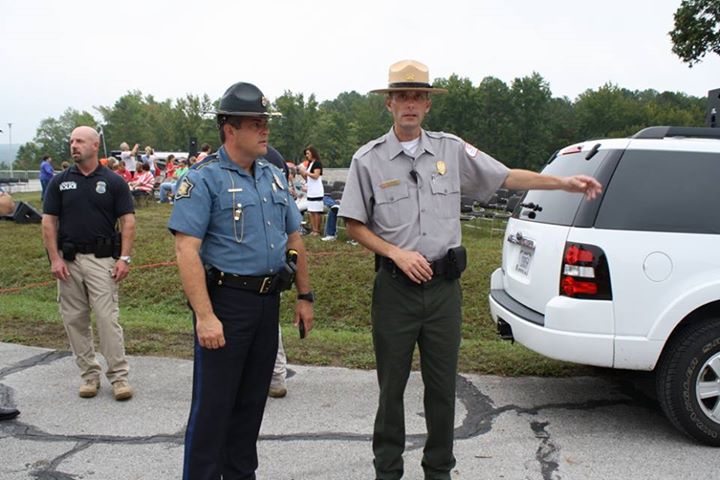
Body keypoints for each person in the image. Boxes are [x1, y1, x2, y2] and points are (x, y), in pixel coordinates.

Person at [338, 60, 603, 480]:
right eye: (402, 96)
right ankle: (387, 471)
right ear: (389, 103)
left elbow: (506, 177)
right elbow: (353, 223)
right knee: (391, 391)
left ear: (427, 104)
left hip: (443, 292)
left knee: (441, 389)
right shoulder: (367, 160)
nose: (410, 103)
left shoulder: (450, 149)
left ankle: (438, 470)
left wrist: (564, 183)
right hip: (395, 291)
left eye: (418, 96)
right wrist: (395, 253)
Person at [168, 81, 314, 479]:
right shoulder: (203, 179)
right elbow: (186, 250)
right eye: (256, 122)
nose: (265, 129)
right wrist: (204, 316)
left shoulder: (272, 176)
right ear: (230, 129)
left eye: (266, 121)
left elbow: (294, 237)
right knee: (213, 410)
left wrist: (305, 295)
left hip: (268, 304)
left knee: (250, 409)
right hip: (226, 305)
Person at [41, 126, 136, 401]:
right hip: (68, 261)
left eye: (80, 141)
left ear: (95, 146)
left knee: (107, 319)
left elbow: (127, 221)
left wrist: (124, 258)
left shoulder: (114, 181)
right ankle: (88, 376)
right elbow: (49, 222)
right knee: (74, 320)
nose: (74, 146)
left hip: (102, 260)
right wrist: (54, 258)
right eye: (72, 141)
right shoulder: (59, 182)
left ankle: (118, 377)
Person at [300, 146, 324, 235]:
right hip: (311, 190)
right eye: (306, 154)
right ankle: (313, 229)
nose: (307, 155)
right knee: (311, 211)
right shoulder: (310, 163)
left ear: (313, 153)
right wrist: (303, 173)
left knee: (316, 211)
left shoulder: (317, 163)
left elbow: (316, 175)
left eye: (308, 153)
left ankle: (317, 230)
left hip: (317, 190)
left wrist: (306, 173)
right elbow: (308, 177)